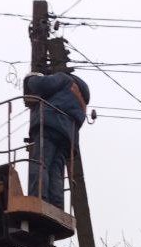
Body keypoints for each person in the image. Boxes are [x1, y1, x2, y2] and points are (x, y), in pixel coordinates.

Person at [22, 71, 90, 208]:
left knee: (40, 162)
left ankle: (38, 197)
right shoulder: (80, 100)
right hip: (67, 136)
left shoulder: (64, 79)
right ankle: (56, 205)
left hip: (49, 126)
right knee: (56, 171)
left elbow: (41, 84)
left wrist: (30, 79)